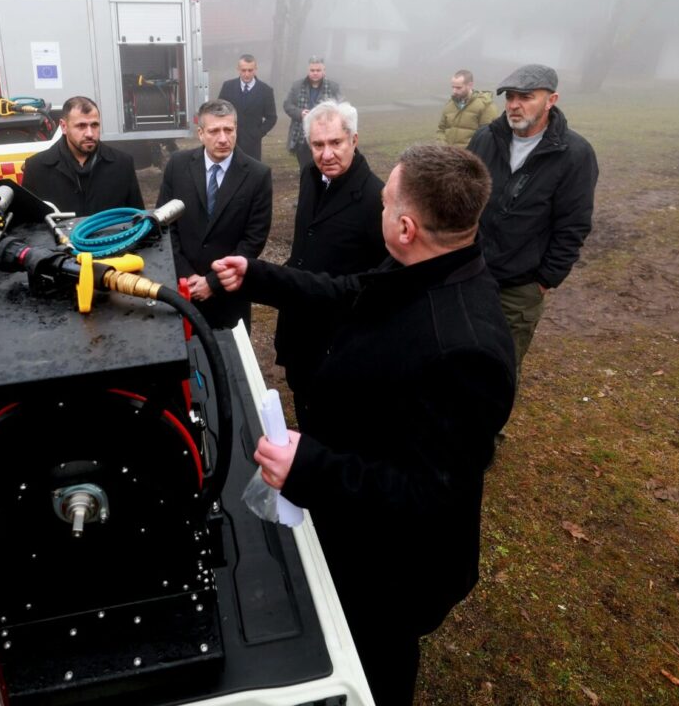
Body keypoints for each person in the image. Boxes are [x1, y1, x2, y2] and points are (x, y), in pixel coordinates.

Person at [211, 144, 516, 706]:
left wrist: (312, 468)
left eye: (383, 203)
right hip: (357, 527)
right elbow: (348, 293)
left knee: (376, 659)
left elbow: (430, 495)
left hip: (395, 569)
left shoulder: (465, 349)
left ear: (404, 227)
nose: (377, 211)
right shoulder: (422, 266)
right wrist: (257, 276)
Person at [467, 64, 598, 381]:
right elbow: (463, 200)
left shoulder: (575, 154)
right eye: (510, 96)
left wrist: (544, 279)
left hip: (520, 287)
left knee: (499, 369)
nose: (514, 104)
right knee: (460, 352)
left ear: (551, 100)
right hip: (469, 274)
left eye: (525, 96)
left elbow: (574, 225)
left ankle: (490, 431)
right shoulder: (485, 139)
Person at [276, 100, 386, 433]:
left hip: (341, 338)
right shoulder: (310, 178)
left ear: (354, 139)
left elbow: (383, 278)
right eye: (318, 145)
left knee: (335, 422)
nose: (326, 154)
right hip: (300, 325)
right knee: (303, 399)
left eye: (336, 143)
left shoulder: (375, 199)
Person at [156, 99, 271, 331]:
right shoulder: (177, 165)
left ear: (236, 129)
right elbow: (165, 226)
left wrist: (212, 282)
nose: (222, 138)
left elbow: (253, 239)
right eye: (214, 131)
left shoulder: (257, 175)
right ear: (200, 133)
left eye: (229, 130)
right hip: (182, 291)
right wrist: (187, 276)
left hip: (230, 295)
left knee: (230, 362)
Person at [22, 96, 143, 215]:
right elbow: (28, 228)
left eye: (94, 125)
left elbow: (139, 219)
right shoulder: (36, 168)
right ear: (64, 127)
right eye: (81, 126)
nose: (90, 133)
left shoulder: (122, 164)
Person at [283, 56, 341, 170]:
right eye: (312, 70)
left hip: (326, 135)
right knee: (305, 169)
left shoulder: (333, 87)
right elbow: (287, 105)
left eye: (318, 70)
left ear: (324, 71)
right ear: (308, 71)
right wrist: (300, 113)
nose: (315, 73)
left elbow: (341, 108)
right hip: (301, 137)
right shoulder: (297, 86)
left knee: (324, 168)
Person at [217, 54, 277, 161]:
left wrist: (259, 133)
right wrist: (224, 131)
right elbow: (219, 111)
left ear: (255, 69)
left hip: (253, 144)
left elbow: (272, 117)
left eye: (250, 70)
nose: (247, 74)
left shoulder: (266, 91)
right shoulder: (228, 87)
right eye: (243, 70)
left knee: (252, 173)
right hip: (229, 140)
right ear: (238, 69)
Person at [436, 69, 498, 147]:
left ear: (470, 85)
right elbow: (441, 129)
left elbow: (488, 137)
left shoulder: (485, 105)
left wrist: (470, 155)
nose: (454, 91)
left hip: (470, 157)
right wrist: (443, 148)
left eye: (458, 88)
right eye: (453, 87)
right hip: (449, 156)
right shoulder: (449, 105)